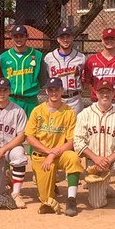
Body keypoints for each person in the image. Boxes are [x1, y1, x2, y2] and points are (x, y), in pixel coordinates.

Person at [74, 79, 115, 216]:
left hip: (114, 161)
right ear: (95, 93)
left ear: (113, 93)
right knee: (97, 204)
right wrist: (96, 158)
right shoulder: (84, 115)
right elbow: (78, 142)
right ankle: (106, 187)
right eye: (101, 91)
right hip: (94, 164)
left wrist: (108, 160)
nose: (105, 95)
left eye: (108, 91)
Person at [24, 76, 85, 217]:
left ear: (62, 90)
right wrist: (47, 151)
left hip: (60, 154)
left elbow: (71, 141)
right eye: (50, 90)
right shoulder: (37, 111)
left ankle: (71, 199)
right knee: (46, 200)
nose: (54, 93)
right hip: (41, 156)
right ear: (46, 92)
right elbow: (30, 137)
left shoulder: (69, 112)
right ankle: (50, 185)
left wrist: (52, 154)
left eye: (57, 89)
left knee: (73, 158)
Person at [0, 78, 29, 207]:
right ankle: (7, 177)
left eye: (5, 90)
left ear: (9, 92)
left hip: (10, 148)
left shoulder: (18, 110)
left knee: (19, 155)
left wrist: (3, 150)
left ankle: (16, 193)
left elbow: (21, 136)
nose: (2, 93)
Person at [82, 28, 115, 114]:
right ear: (102, 40)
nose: (109, 41)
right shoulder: (92, 60)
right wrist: (97, 94)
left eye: (112, 38)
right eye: (106, 39)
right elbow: (87, 83)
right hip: (98, 103)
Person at [0, 24, 44, 118]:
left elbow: (43, 79)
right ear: (11, 37)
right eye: (16, 36)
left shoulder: (37, 55)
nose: (19, 39)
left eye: (21, 36)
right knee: (11, 130)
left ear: (27, 37)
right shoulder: (3, 57)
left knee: (31, 131)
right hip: (11, 99)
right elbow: (0, 80)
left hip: (30, 100)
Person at [44, 26, 86, 112]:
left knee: (76, 125)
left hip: (74, 99)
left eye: (68, 37)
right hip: (56, 98)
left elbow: (85, 79)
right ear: (58, 39)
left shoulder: (81, 57)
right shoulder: (49, 58)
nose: (65, 40)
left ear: (72, 38)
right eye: (62, 37)